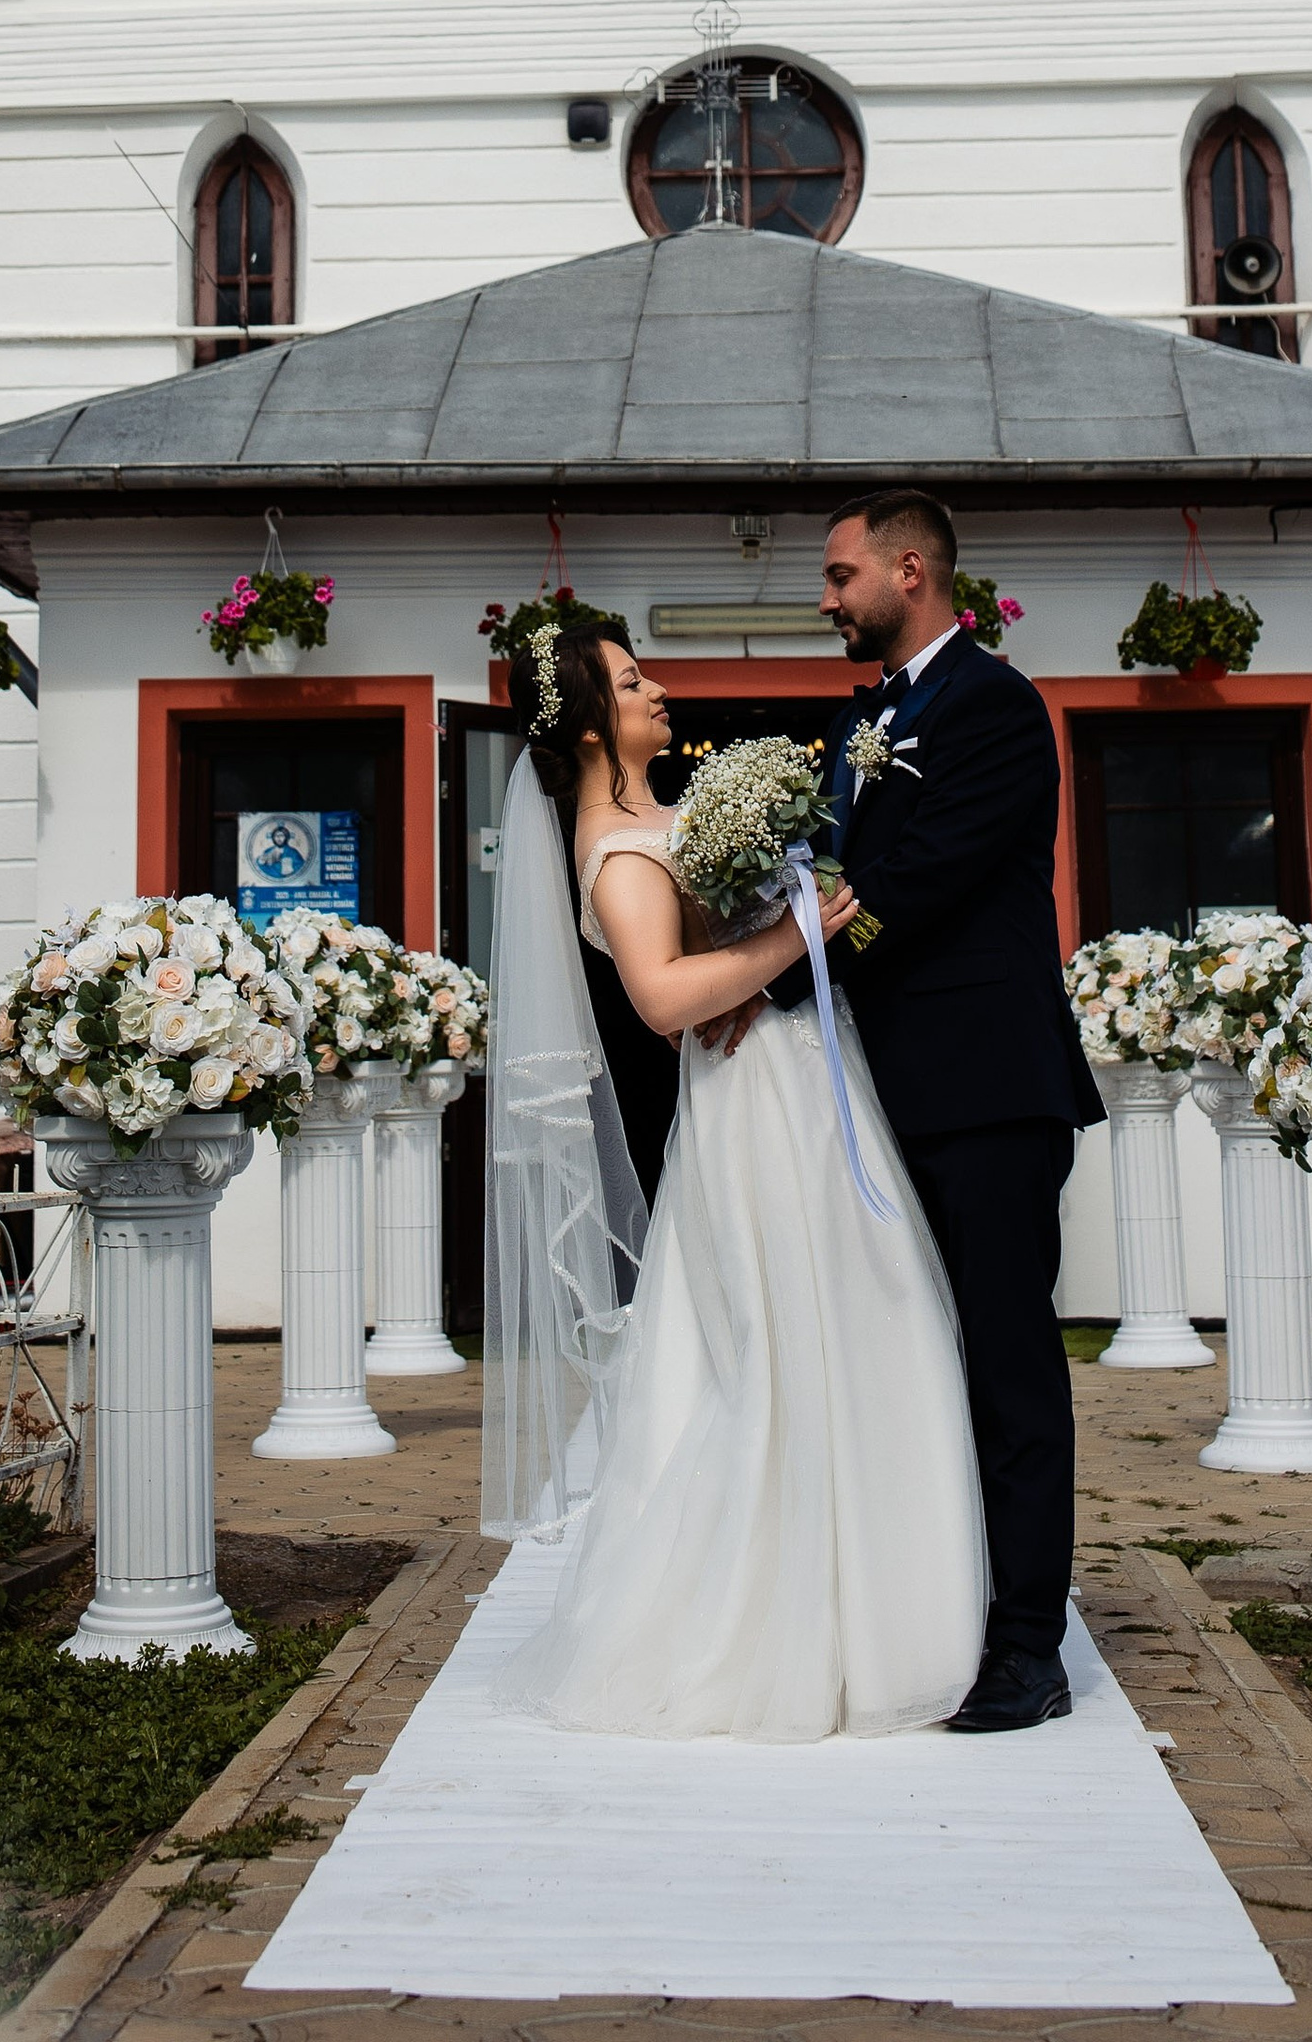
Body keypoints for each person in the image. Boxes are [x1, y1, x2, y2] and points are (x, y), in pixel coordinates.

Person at [484, 618, 987, 1740]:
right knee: (786, 1336)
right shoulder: (616, 844)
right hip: (754, 1105)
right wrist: (800, 933)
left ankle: (888, 1612)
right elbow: (664, 997)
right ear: (589, 718)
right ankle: (782, 1625)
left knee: (862, 1318)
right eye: (630, 679)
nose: (656, 688)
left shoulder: (669, 817)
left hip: (804, 1084)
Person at [762, 489, 1105, 1732]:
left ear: (911, 569)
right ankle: (945, 1606)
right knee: (917, 1365)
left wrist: (770, 972)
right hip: (895, 1090)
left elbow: (918, 882)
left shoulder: (994, 707)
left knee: (1008, 1368)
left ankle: (1028, 1645)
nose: (825, 595)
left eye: (839, 571)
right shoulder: (875, 712)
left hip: (988, 1090)